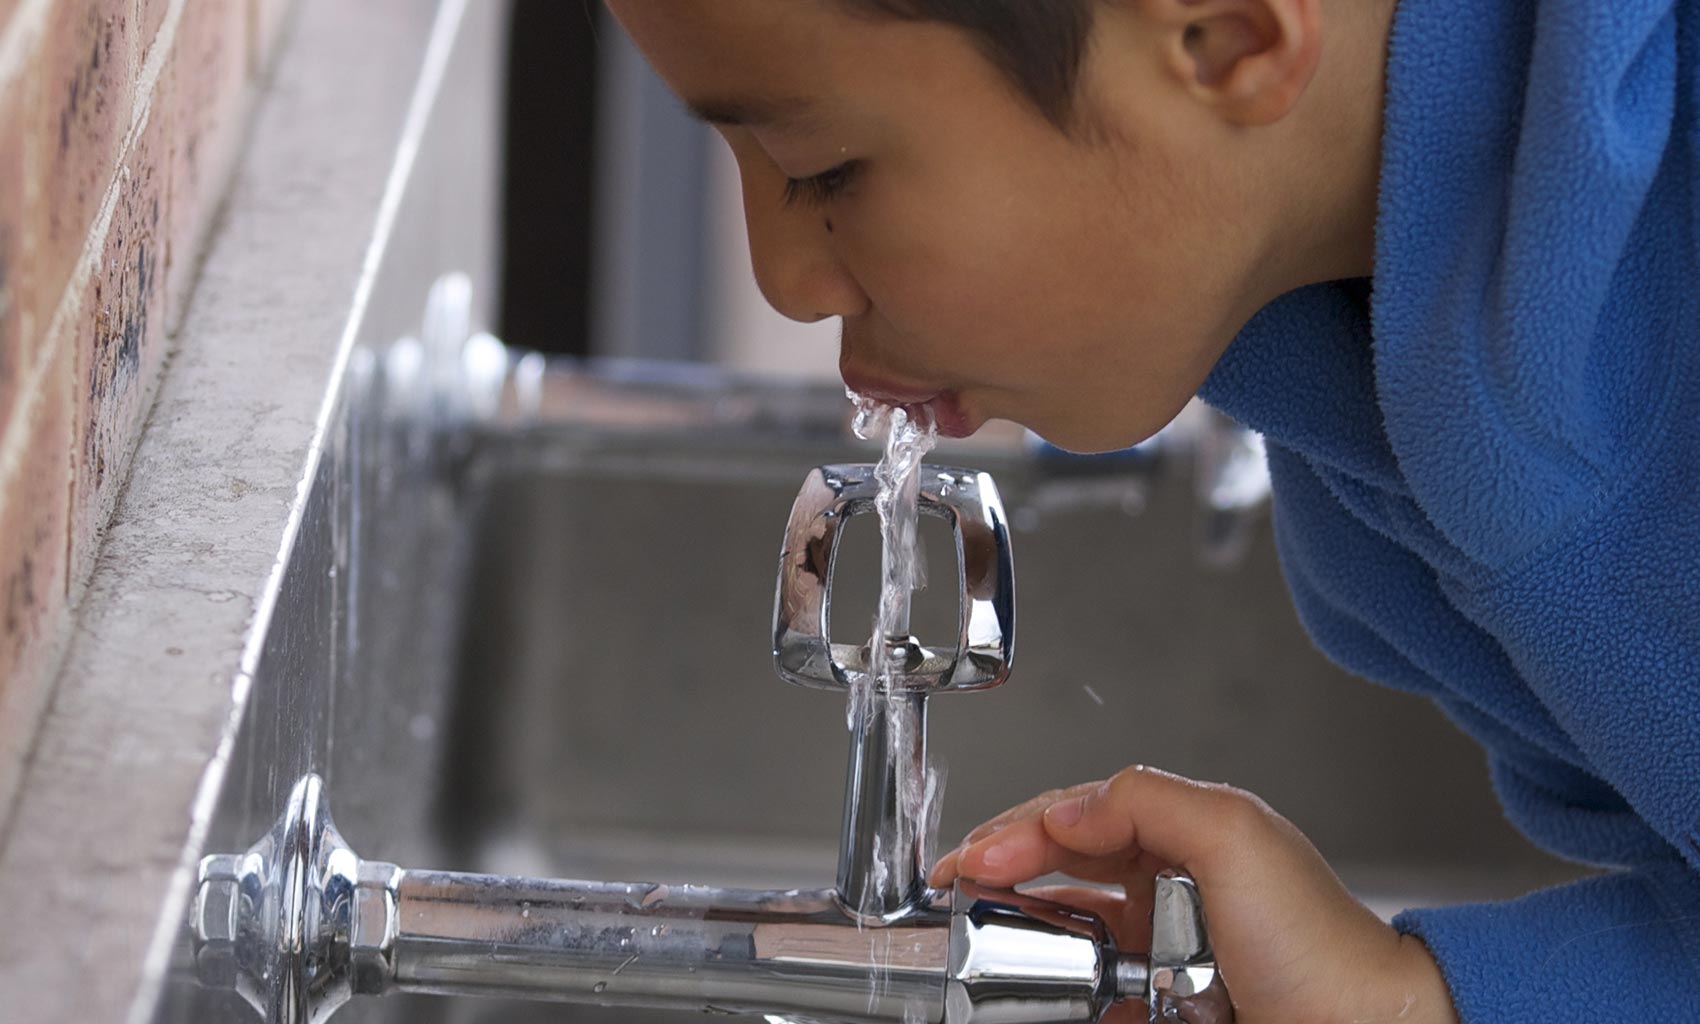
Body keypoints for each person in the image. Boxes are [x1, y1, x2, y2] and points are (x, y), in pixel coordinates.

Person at [604, 1, 1700, 1020]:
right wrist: (1406, 1000)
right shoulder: (1361, 468)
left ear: (1226, 37)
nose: (785, 280)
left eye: (822, 167)